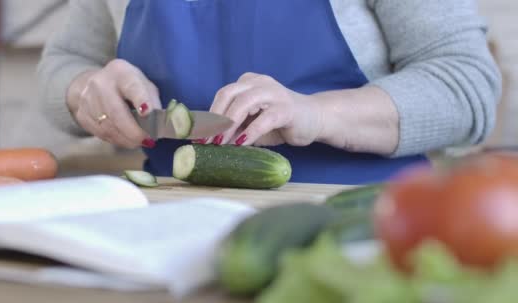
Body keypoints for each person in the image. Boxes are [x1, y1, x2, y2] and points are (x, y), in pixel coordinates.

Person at [37, 0, 502, 185]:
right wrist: (84, 92)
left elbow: (465, 82)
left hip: (360, 224)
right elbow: (62, 64)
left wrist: (316, 114)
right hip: (170, 220)